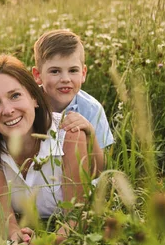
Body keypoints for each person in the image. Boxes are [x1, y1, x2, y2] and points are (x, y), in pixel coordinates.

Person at [0, 55, 90, 245]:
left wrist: (48, 244)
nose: (8, 110)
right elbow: (5, 219)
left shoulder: (70, 135)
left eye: (15, 95)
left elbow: (75, 216)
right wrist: (19, 238)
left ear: (34, 97)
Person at [32, 29, 114, 171]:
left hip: (78, 180)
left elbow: (101, 169)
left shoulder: (92, 109)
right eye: (55, 71)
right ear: (38, 75)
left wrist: (90, 134)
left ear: (83, 73)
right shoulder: (28, 105)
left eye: (73, 70)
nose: (65, 79)